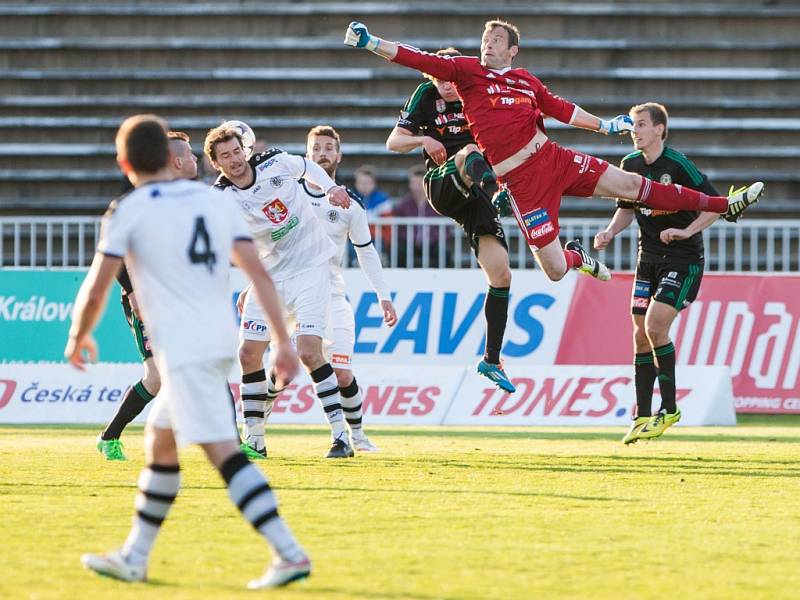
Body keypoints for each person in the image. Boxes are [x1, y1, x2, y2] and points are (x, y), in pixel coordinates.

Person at [68, 114, 311, 589]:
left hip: (184, 345)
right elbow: (259, 274)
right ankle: (135, 555)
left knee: (222, 452)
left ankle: (289, 552)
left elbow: (98, 286)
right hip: (215, 337)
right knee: (159, 441)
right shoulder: (212, 200)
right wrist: (282, 340)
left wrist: (79, 334)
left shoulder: (128, 209)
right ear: (168, 157)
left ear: (124, 162)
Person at [343, 20, 764, 284]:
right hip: (522, 185)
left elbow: (562, 110)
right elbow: (414, 57)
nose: (487, 44)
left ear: (512, 50)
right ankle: (577, 255)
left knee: (635, 185)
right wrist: (370, 42)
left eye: (496, 39)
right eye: (485, 38)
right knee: (556, 271)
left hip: (554, 159)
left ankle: (723, 203)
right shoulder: (466, 71)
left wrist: (605, 125)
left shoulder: (526, 80)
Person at [205, 124, 358, 459]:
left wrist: (331, 187)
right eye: (225, 157)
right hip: (268, 278)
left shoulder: (274, 161)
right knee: (247, 354)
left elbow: (309, 167)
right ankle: (255, 439)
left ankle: (340, 437)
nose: (234, 160)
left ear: (244, 150)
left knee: (308, 351)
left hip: (311, 268)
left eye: (236, 152)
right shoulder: (220, 199)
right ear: (216, 164)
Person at [593, 103, 725, 444]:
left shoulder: (677, 165)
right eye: (633, 125)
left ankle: (670, 409)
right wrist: (610, 232)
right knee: (639, 335)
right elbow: (625, 208)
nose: (633, 131)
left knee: (654, 326)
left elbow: (715, 204)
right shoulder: (630, 165)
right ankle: (642, 416)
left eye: (640, 125)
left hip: (682, 259)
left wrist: (685, 231)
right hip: (647, 258)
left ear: (659, 130)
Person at [386, 47, 515, 393]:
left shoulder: (478, 89)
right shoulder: (427, 94)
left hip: (475, 192)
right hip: (443, 182)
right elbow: (393, 141)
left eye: (449, 78)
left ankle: (491, 359)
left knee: (501, 273)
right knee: (469, 153)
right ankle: (500, 194)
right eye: (438, 78)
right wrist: (423, 138)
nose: (445, 85)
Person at [96, 131, 199, 461]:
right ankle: (109, 437)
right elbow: (117, 252)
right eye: (191, 155)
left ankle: (235, 439)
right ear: (176, 160)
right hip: (146, 300)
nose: (197, 160)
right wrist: (132, 290)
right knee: (155, 378)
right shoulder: (137, 199)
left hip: (177, 298)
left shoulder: (193, 199)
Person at [299, 124, 398, 451]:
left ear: (338, 155)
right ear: (307, 155)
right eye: (316, 148)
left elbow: (366, 251)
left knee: (342, 371)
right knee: (278, 374)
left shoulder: (350, 205)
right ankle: (255, 433)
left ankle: (354, 436)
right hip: (290, 299)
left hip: (331, 295)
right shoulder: (288, 193)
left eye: (328, 147)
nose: (322, 153)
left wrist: (383, 296)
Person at [393, 164, 445, 267]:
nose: (416, 187)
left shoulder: (436, 202)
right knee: (398, 251)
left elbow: (445, 229)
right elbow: (398, 228)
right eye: (413, 183)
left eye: (419, 183)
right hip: (409, 244)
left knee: (443, 252)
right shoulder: (404, 204)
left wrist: (435, 237)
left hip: (431, 243)